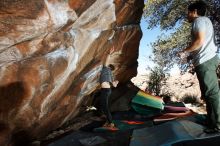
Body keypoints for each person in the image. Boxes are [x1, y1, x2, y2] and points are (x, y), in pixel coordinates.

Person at [179, 0, 220, 133]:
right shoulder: (204, 21)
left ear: (194, 11)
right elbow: (202, 44)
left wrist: (184, 51)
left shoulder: (199, 21)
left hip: (206, 61)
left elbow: (200, 41)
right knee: (207, 94)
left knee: (212, 93)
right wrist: (191, 56)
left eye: (188, 12)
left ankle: (218, 125)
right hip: (205, 60)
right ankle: (211, 121)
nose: (187, 15)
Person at [99, 64, 119, 129]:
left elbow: (105, 63)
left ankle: (111, 123)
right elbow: (115, 86)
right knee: (103, 105)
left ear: (109, 67)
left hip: (106, 90)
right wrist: (115, 83)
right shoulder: (110, 74)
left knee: (105, 107)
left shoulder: (106, 69)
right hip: (106, 90)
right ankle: (108, 121)